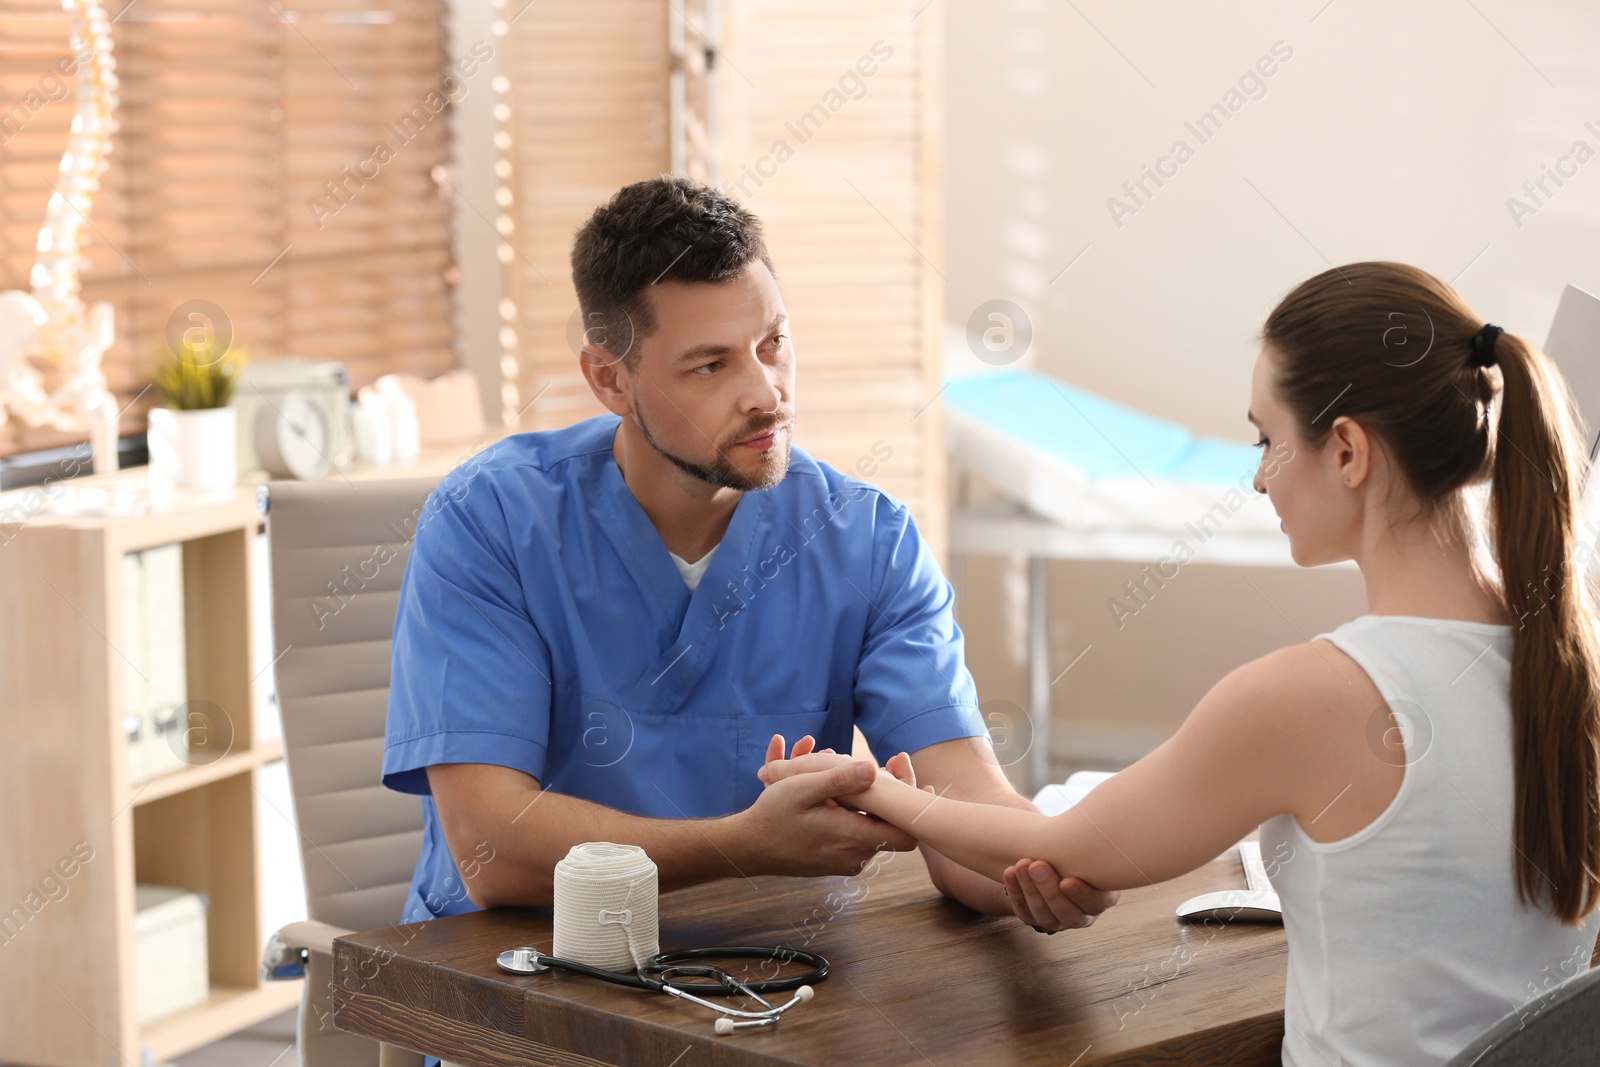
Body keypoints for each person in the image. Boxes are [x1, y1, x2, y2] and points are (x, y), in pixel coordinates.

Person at [763, 261, 1600, 1066]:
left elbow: (1064, 847)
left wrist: (871, 786)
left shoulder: (1317, 695)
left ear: (1347, 451)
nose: (1259, 478)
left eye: (1267, 438)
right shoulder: (1574, 663)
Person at [382, 176, 1116, 936]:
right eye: (711, 365)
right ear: (610, 379)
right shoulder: (489, 521)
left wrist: (1041, 866)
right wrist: (743, 845)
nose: (767, 393)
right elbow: (491, 846)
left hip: (774, 980)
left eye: (773, 344)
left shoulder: (867, 539)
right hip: (521, 981)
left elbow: (961, 799)